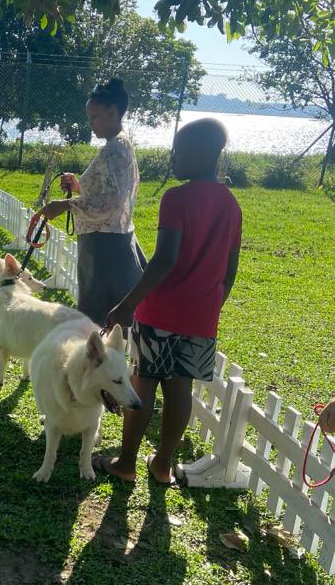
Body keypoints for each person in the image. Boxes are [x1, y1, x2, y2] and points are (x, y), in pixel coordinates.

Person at [98, 118, 242, 485]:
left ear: (203, 154)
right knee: (181, 388)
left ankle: (126, 462)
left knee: (144, 380)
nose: (172, 156)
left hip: (161, 311)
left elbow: (164, 259)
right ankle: (162, 465)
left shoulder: (176, 198)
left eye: (179, 149)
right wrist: (210, 305)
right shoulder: (231, 204)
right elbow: (230, 268)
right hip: (201, 316)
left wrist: (129, 304)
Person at [40, 78, 145, 325]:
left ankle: (95, 364)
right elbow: (109, 193)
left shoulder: (114, 150)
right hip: (110, 241)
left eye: (94, 117)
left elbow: (111, 203)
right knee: (103, 319)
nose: (91, 124)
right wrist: (79, 187)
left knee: (97, 319)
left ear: (113, 112)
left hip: (104, 247)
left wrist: (66, 205)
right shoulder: (120, 145)